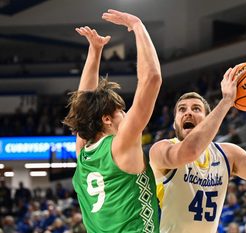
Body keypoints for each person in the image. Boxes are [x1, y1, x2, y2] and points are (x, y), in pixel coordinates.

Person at [149, 66, 246, 232]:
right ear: (175, 123)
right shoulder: (160, 149)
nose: (188, 113)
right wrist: (226, 101)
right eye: (182, 109)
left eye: (196, 109)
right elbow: (190, 152)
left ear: (208, 119)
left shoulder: (227, 155)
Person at [63, 9, 162, 232]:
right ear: (107, 119)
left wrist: (95, 50)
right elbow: (152, 80)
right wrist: (137, 26)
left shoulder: (83, 154)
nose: (126, 116)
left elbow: (83, 103)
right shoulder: (121, 145)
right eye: (122, 112)